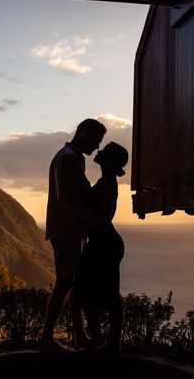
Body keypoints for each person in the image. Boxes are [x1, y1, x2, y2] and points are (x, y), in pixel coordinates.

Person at [39, 118, 107, 353]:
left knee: (72, 283)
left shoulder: (71, 156)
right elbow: (67, 198)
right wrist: (90, 218)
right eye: (96, 140)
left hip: (68, 230)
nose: (97, 146)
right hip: (67, 230)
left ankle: (80, 336)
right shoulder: (68, 158)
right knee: (65, 282)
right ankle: (47, 338)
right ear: (83, 132)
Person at [73, 141, 128, 353]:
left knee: (88, 291)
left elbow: (101, 218)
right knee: (94, 291)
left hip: (104, 244)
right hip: (104, 243)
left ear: (109, 160)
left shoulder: (106, 183)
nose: (99, 151)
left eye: (104, 151)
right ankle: (103, 340)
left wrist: (81, 229)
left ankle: (106, 341)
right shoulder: (106, 182)